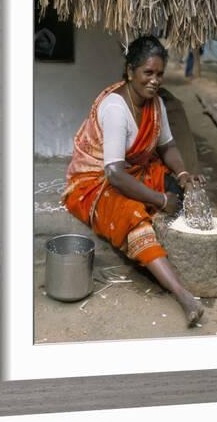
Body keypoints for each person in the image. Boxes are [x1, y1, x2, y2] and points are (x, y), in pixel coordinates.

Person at [62, 36, 205, 326]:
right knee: (133, 215)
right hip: (97, 181)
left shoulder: (156, 104)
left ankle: (174, 252)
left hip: (133, 169)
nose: (154, 81)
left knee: (182, 188)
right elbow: (114, 173)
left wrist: (182, 174)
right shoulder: (117, 109)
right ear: (130, 72)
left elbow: (167, 146)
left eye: (159, 74)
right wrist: (159, 200)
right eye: (148, 73)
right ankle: (183, 295)